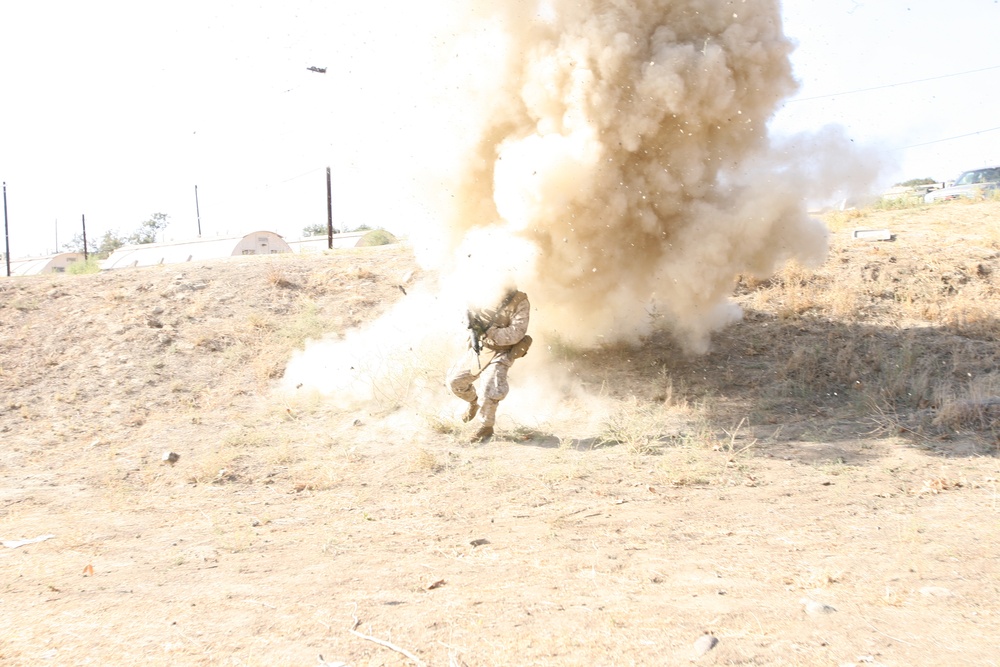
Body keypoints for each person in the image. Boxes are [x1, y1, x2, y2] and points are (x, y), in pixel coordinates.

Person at [447, 286, 531, 442]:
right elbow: (468, 308)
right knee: (455, 381)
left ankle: (486, 427)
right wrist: (471, 324)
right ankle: (473, 402)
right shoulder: (486, 288)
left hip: (502, 352)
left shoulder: (520, 301)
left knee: (490, 389)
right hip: (481, 348)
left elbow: (516, 333)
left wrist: (487, 332)